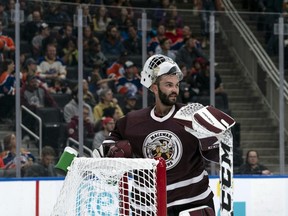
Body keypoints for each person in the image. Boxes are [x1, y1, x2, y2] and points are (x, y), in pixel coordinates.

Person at [103, 54, 228, 215]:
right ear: (154, 88)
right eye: (169, 85)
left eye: (176, 85)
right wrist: (113, 152)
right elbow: (108, 146)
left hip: (192, 203)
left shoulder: (192, 116)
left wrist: (218, 139)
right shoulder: (132, 121)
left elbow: (219, 153)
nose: (174, 90)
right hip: (149, 207)